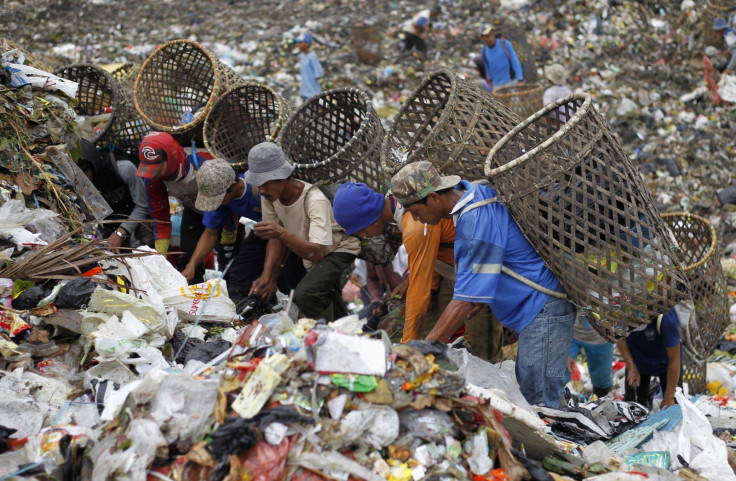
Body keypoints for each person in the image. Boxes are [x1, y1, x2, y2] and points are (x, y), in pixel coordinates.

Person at [390, 162, 575, 406]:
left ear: (434, 197)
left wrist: (425, 347)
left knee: (541, 401)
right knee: (533, 390)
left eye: (414, 210)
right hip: (536, 311)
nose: (414, 218)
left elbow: (464, 300)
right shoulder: (476, 196)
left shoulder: (475, 217)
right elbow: (482, 273)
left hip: (543, 307)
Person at [332, 181, 504, 363]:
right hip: (453, 274)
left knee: (483, 353)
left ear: (370, 219)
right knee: (426, 332)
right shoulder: (397, 202)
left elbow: (419, 293)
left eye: (361, 231)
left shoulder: (413, 222)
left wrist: (407, 348)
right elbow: (433, 250)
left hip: (479, 275)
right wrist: (411, 279)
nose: (364, 236)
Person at [246, 142, 361, 320]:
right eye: (258, 184)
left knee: (306, 294)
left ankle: (324, 333)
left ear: (282, 177)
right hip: (312, 251)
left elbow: (316, 254)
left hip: (338, 249)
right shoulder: (270, 196)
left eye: (265, 183)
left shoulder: (314, 200)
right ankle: (344, 333)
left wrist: (281, 233)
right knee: (329, 296)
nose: (261, 190)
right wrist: (268, 276)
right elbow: (274, 238)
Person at [136, 131, 219, 284]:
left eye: (157, 169)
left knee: (231, 259)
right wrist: (161, 255)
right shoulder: (153, 178)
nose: (153, 174)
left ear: (171, 157)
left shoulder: (202, 164)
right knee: (187, 262)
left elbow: (226, 199)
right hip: (193, 210)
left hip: (222, 210)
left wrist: (229, 231)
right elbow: (160, 218)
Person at [77, 140, 152, 249]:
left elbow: (143, 205)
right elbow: (91, 219)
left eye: (84, 171)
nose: (81, 178)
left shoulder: (123, 168)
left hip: (136, 216)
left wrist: (120, 232)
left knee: (145, 244)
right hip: (109, 224)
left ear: (92, 164)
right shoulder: (81, 185)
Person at [617, 307, 682, 409]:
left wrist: (669, 397)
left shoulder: (665, 317)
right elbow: (619, 338)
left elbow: (675, 358)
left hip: (667, 364)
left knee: (674, 407)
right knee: (632, 408)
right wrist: (631, 366)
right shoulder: (621, 313)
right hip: (638, 362)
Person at [566, 315, 614, 398]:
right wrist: (564, 348)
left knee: (601, 380)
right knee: (560, 373)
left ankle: (601, 404)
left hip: (601, 337)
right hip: (571, 333)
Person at [479, 24, 523, 90]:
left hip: (511, 82)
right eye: (487, 36)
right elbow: (487, 68)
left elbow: (515, 61)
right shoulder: (484, 50)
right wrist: (491, 84)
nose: (490, 37)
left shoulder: (505, 44)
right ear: (482, 38)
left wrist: (520, 79)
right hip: (497, 86)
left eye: (491, 34)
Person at [294, 33, 324, 102]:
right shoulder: (302, 55)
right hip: (304, 92)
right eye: (297, 43)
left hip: (312, 94)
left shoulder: (312, 57)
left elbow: (319, 73)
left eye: (300, 43)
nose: (298, 45)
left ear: (307, 44)